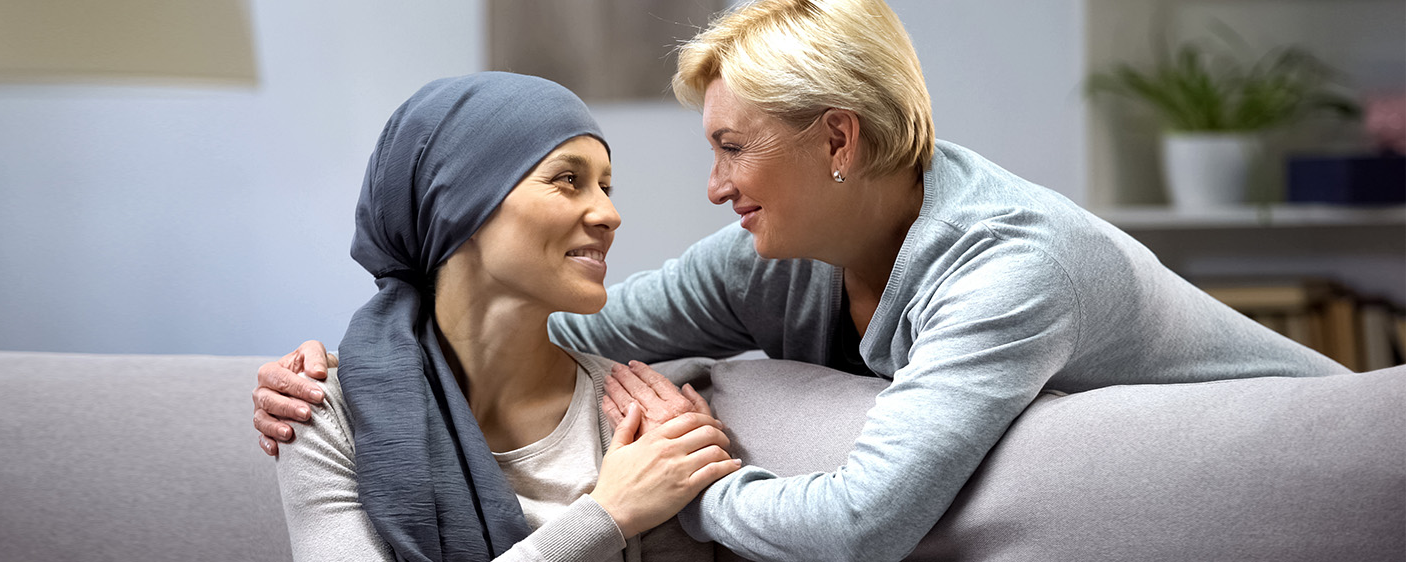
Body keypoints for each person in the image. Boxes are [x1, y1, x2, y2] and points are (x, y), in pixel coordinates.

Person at [256, 1, 1350, 560]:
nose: (713, 184)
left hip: (1314, 472)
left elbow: (862, 524)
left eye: (734, 147)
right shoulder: (771, 262)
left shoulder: (1013, 266)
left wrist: (675, 491)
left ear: (837, 140)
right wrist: (344, 372)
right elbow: (569, 332)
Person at [272, 71, 738, 561]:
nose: (609, 214)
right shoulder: (321, 413)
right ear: (458, 205)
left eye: (605, 186)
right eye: (568, 180)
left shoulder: (637, 418)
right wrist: (606, 516)